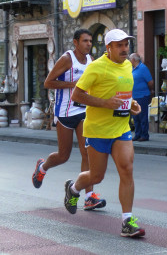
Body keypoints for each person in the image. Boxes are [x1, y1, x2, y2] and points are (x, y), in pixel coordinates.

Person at [63, 29, 145, 238]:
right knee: (96, 176)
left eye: (126, 44)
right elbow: (77, 95)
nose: (125, 49)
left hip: (121, 128)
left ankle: (127, 220)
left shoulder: (127, 65)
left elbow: (122, 93)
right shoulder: (96, 67)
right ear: (108, 48)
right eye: (119, 45)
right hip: (98, 129)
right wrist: (105, 103)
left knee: (126, 169)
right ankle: (73, 188)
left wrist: (132, 104)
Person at [32, 29, 106, 211]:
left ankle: (89, 197)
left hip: (82, 112)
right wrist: (73, 84)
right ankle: (42, 167)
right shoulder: (67, 59)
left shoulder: (90, 61)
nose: (89, 44)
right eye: (85, 41)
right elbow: (48, 83)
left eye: (90, 41)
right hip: (65, 113)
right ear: (75, 42)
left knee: (86, 153)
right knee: (63, 155)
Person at [129, 53, 154, 142]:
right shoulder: (132, 69)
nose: (129, 60)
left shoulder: (143, 68)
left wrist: (150, 91)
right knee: (135, 117)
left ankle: (144, 135)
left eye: (130, 58)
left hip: (142, 96)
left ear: (134, 60)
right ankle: (137, 134)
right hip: (134, 96)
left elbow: (150, 82)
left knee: (142, 116)